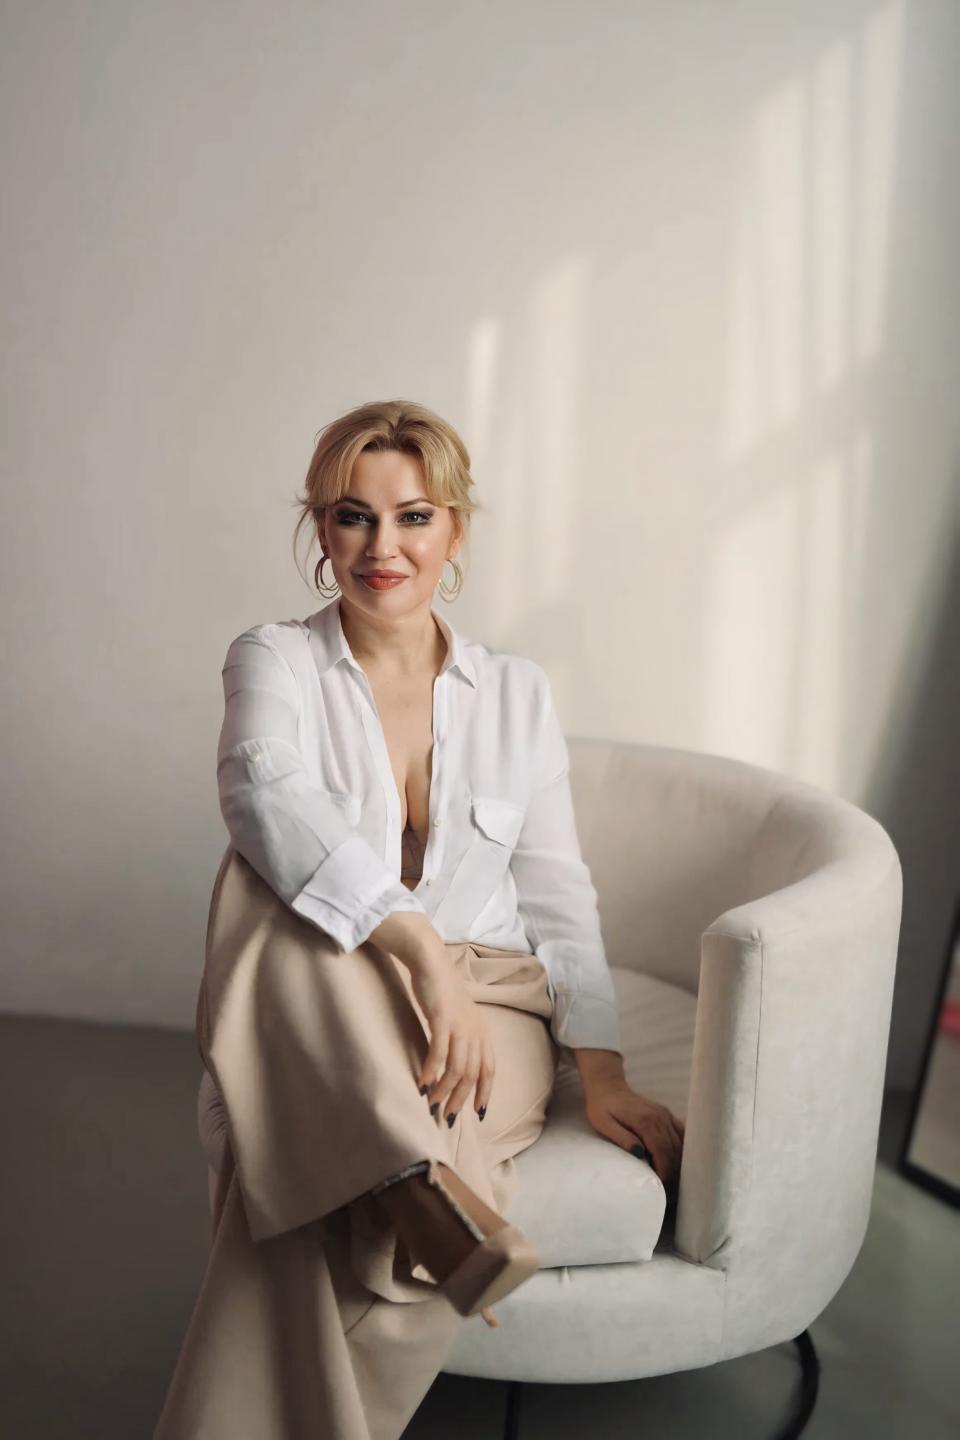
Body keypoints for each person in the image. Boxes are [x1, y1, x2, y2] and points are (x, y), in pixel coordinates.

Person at [153, 399, 684, 1439]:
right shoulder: (273, 659)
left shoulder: (516, 694)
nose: (381, 547)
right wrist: (417, 950)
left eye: (413, 517)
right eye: (353, 516)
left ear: (456, 531)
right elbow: (261, 790)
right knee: (270, 888)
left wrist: (604, 1069)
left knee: (306, 1165)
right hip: (333, 981)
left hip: (492, 1004)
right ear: (321, 528)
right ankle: (409, 1174)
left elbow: (556, 890)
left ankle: (389, 1170)